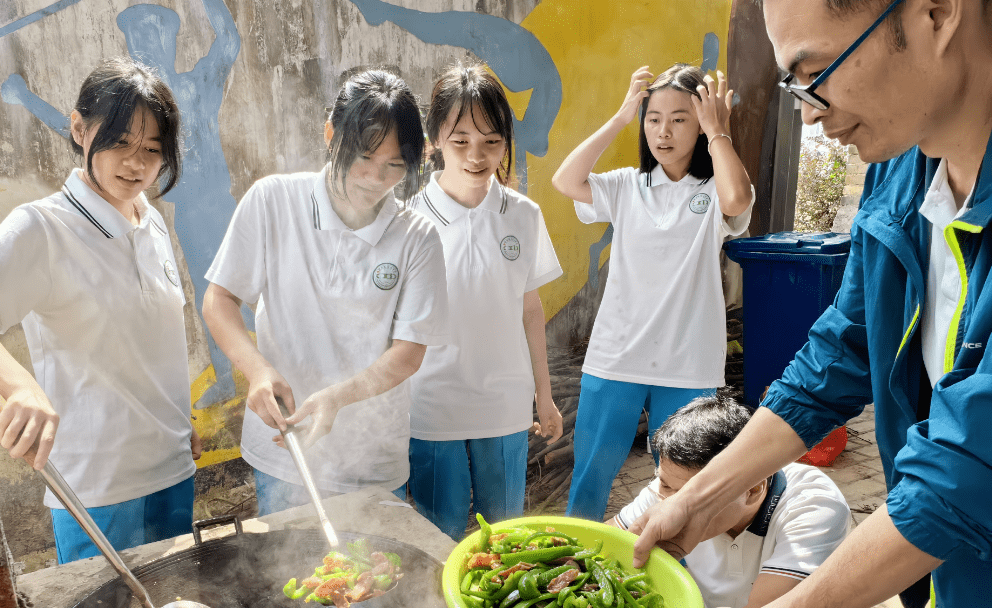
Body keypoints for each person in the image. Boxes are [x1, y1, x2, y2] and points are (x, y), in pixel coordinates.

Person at [626, 0, 992, 608]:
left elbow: (958, 479)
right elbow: (838, 352)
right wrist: (702, 492)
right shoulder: (906, 166)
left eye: (812, 73)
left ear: (935, 12)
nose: (812, 113)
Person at [0, 58, 201, 564]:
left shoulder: (150, 222)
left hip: (173, 469)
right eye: (120, 142)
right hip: (98, 489)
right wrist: (20, 384)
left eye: (153, 150)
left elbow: (150, 337)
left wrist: (178, 419)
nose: (136, 163)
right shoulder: (43, 227)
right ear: (80, 129)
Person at [203, 70, 449, 516]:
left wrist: (338, 398)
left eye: (394, 166)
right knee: (285, 578)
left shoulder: (418, 237)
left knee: (375, 576)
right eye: (364, 158)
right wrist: (257, 371)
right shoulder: (272, 201)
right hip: (285, 449)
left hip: (374, 462)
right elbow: (219, 300)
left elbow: (409, 352)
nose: (376, 179)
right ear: (331, 134)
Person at [551, 63, 755, 522]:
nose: (663, 131)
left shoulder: (713, 187)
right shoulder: (626, 185)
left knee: (681, 487)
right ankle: (571, 569)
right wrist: (622, 115)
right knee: (590, 477)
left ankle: (668, 575)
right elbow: (565, 180)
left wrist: (718, 131)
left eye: (680, 119)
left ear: (700, 124)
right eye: (654, 118)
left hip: (687, 364)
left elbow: (739, 202)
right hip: (616, 357)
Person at [612, 392, 873, 608]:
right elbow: (606, 553)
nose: (672, 506)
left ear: (752, 488)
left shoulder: (812, 504)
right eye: (664, 483)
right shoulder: (665, 491)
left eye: (694, 495)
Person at [405, 61, 564, 540]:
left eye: (492, 142)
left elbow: (530, 310)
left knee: (504, 534)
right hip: (432, 408)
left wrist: (545, 396)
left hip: (504, 406)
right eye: (460, 142)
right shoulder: (408, 221)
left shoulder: (524, 216)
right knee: (441, 534)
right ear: (434, 140)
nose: (477, 155)